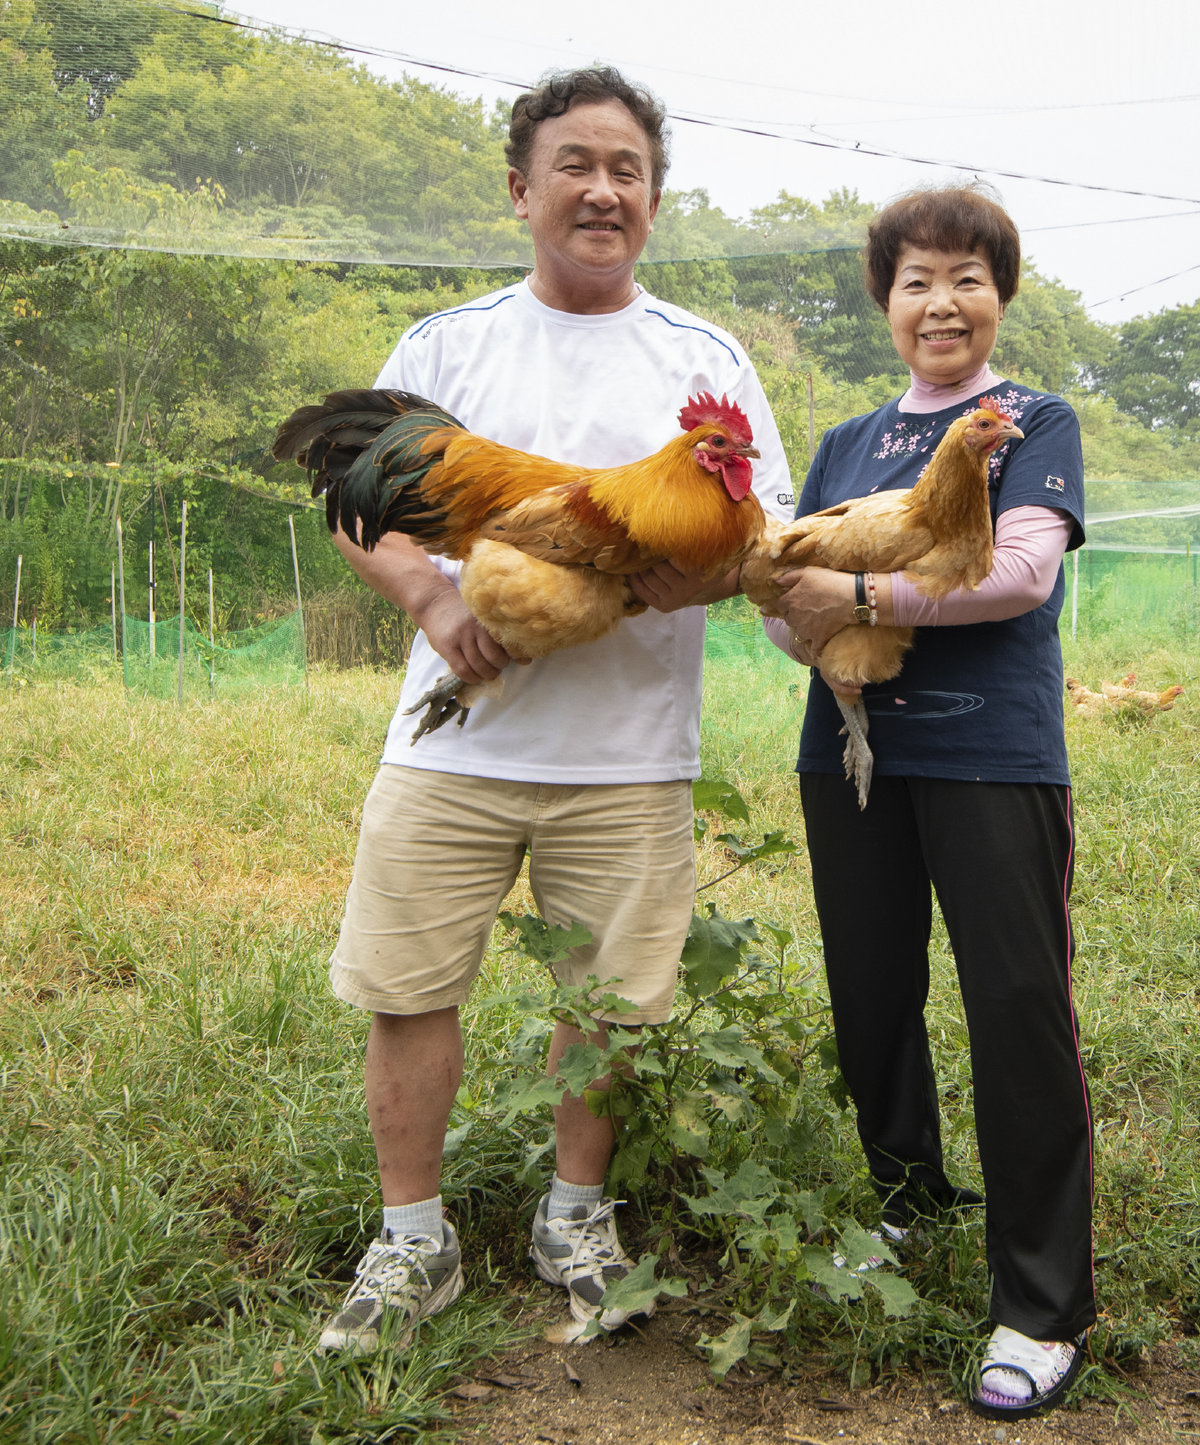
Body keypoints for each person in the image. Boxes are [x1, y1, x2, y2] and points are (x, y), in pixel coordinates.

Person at [314, 66, 792, 1354]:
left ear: (653, 199)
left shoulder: (706, 359)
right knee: (408, 984)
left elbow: (754, 537)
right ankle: (412, 1237)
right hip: (455, 733)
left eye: (626, 169)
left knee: (610, 1002)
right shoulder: (445, 343)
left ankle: (574, 1211)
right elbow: (366, 511)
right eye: (574, 164)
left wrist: (676, 574)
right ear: (522, 188)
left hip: (628, 751)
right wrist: (428, 600)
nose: (601, 189)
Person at [768, 186, 1095, 1419]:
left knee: (1015, 1008)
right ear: (884, 303)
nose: (939, 300)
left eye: (965, 275)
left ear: (997, 295)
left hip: (990, 755)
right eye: (914, 278)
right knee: (871, 994)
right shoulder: (848, 441)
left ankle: (1040, 1302)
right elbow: (790, 577)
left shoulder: (1028, 418)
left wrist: (856, 606)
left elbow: (1014, 576)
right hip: (849, 753)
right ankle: (905, 1204)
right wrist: (792, 616)